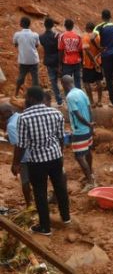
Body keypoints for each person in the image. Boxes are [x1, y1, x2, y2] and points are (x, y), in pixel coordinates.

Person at [12, 87, 70, 235]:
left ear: (31, 98)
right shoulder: (56, 113)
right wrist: (60, 152)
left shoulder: (24, 117)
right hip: (56, 157)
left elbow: (21, 145)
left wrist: (16, 163)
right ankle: (66, 217)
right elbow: (61, 137)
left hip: (37, 161)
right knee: (60, 187)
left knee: (40, 193)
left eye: (26, 97)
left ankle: (45, 227)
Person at [61, 75, 96, 191]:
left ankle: (90, 182)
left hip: (79, 130)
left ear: (64, 85)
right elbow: (89, 108)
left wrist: (87, 124)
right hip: (87, 129)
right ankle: (90, 174)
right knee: (88, 151)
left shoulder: (70, 97)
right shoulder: (81, 92)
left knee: (79, 156)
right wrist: (90, 124)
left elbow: (77, 114)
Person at [1, 103, 31, 207]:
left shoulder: (10, 125)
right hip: (36, 153)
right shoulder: (20, 116)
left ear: (5, 114)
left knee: (25, 182)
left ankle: (29, 205)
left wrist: (15, 164)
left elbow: (19, 146)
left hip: (25, 157)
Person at [94, 9, 113, 107]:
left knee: (109, 78)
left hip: (106, 55)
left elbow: (92, 37)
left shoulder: (100, 26)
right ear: (110, 16)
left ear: (102, 17)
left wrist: (99, 48)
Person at [13, 16, 40, 97]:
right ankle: (36, 96)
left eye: (20, 22)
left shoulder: (17, 34)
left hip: (23, 60)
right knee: (35, 78)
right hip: (33, 60)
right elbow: (37, 45)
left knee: (21, 77)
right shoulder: (35, 34)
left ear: (23, 24)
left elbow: (15, 44)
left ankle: (16, 93)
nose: (19, 23)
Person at [39, 18, 63, 106]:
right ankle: (68, 99)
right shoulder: (57, 36)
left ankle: (59, 100)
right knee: (64, 80)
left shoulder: (41, 37)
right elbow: (60, 48)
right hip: (58, 61)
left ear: (44, 26)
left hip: (49, 61)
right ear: (53, 26)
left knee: (53, 82)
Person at [82, 22, 103, 107]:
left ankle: (92, 102)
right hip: (98, 62)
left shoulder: (85, 37)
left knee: (86, 82)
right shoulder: (98, 36)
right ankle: (100, 101)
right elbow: (101, 49)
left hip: (88, 63)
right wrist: (96, 61)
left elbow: (87, 51)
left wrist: (93, 61)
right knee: (99, 81)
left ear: (87, 28)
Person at [58, 19, 83, 89]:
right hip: (77, 61)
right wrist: (82, 61)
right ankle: (78, 97)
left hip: (66, 62)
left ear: (65, 26)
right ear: (73, 26)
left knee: (67, 82)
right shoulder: (78, 36)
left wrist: (60, 64)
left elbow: (60, 50)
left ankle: (69, 97)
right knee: (78, 81)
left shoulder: (62, 36)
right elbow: (80, 50)